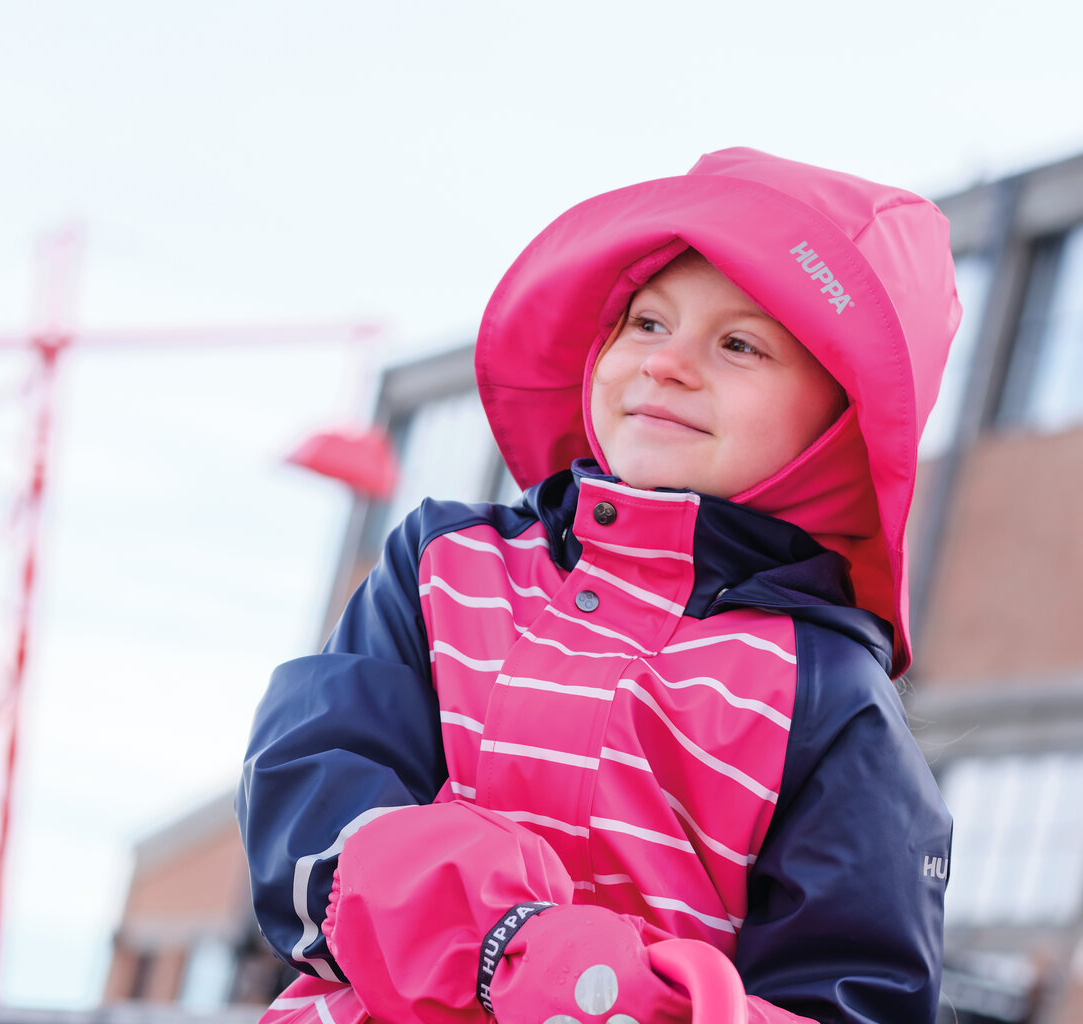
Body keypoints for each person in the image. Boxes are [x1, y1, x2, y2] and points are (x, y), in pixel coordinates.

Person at [237, 148, 958, 1024]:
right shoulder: (443, 567)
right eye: (647, 323)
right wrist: (506, 943)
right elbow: (310, 806)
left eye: (738, 345)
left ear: (837, 422)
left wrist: (640, 1004)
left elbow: (857, 1000)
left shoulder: (828, 698)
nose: (665, 363)